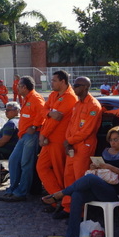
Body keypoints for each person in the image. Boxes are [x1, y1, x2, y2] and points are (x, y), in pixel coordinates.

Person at [43, 126, 119, 237]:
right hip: (100, 188)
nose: (113, 142)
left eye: (116, 139)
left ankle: (61, 194)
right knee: (77, 195)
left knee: (90, 179)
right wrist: (95, 167)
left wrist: (111, 168)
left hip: (116, 192)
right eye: (111, 140)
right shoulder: (105, 152)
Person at [59, 77, 102, 219]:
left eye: (77, 85)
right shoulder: (78, 104)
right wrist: (68, 141)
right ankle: (68, 207)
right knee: (68, 177)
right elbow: (71, 125)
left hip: (84, 146)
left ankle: (79, 212)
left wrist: (69, 141)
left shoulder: (93, 106)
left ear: (85, 87)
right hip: (73, 145)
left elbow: (87, 131)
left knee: (79, 180)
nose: (74, 87)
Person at [0, 76, 46, 202]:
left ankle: (21, 192)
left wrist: (34, 126)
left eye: (19, 86)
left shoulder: (35, 98)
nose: (17, 88)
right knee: (13, 160)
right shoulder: (27, 98)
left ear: (24, 87)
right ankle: (13, 189)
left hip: (31, 135)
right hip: (24, 135)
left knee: (26, 164)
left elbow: (43, 113)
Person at [36, 70, 78, 202]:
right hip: (49, 138)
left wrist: (43, 134)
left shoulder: (70, 97)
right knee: (41, 167)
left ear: (63, 81)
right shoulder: (54, 94)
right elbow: (43, 110)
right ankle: (56, 199)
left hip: (58, 140)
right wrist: (49, 113)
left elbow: (56, 119)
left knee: (59, 172)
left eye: (54, 80)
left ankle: (62, 201)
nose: (51, 83)